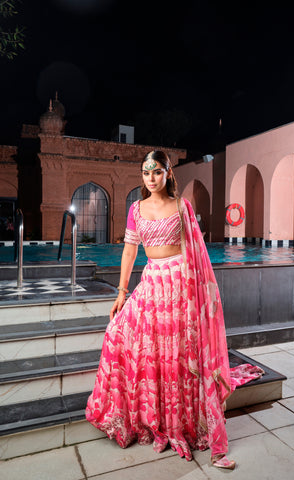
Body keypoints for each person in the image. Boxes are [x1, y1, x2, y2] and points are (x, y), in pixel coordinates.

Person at [86, 150, 263, 469]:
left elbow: (196, 254)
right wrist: (122, 292)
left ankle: (187, 424)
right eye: (145, 172)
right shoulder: (136, 210)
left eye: (156, 172)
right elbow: (129, 251)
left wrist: (199, 298)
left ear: (168, 173)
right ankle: (151, 418)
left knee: (182, 356)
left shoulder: (183, 208)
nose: (150, 178)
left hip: (181, 287)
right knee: (124, 338)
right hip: (152, 283)